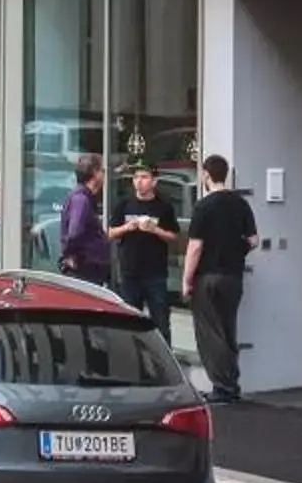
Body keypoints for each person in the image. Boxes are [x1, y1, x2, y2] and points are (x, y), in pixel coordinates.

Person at [182, 154, 257, 403]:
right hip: (233, 276)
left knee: (209, 333)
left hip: (208, 276)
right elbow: (254, 240)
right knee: (227, 328)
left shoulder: (204, 206)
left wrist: (186, 279)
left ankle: (222, 386)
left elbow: (195, 247)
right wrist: (237, 250)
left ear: (205, 174)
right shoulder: (241, 204)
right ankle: (231, 383)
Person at [108, 163, 182, 341]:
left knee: (161, 322)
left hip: (155, 274)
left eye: (144, 177)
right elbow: (110, 233)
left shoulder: (163, 207)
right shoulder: (124, 204)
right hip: (129, 272)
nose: (139, 182)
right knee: (129, 322)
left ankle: (164, 363)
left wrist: (155, 230)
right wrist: (127, 227)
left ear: (154, 181)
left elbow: (174, 237)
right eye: (136, 178)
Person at [57, 153, 110, 283]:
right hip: (84, 270)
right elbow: (75, 232)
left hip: (90, 269)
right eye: (102, 170)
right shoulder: (81, 199)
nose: (104, 175)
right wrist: (69, 255)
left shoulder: (85, 198)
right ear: (95, 173)